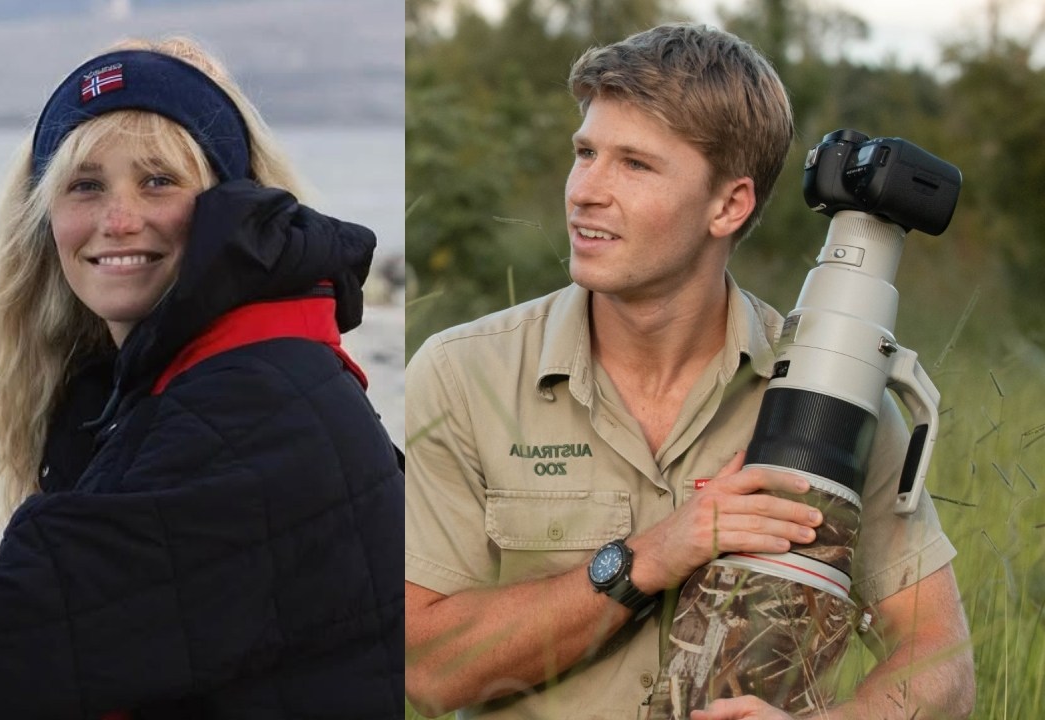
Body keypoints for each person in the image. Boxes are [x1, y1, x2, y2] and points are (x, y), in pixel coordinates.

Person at [0, 37, 403, 719]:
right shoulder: (187, 379)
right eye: (86, 185)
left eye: (158, 180)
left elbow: (14, 629)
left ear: (234, 204)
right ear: (43, 218)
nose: (119, 220)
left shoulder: (258, 404)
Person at [404, 23, 973, 720]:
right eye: (586, 153)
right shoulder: (465, 374)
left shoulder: (832, 395)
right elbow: (426, 671)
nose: (586, 190)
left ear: (729, 205)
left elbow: (941, 657)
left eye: (635, 165)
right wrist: (653, 555)